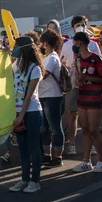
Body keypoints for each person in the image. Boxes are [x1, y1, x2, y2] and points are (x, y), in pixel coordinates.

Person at [60, 16, 102, 155]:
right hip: (73, 85)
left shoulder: (94, 45)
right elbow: (62, 63)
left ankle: (93, 144)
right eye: (78, 25)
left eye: (83, 24)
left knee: (90, 117)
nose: (81, 26)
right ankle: (72, 143)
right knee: (73, 115)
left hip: (90, 86)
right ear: (72, 28)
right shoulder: (67, 45)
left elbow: (100, 65)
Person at [9, 36, 44, 193]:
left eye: (16, 46)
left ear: (24, 48)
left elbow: (29, 95)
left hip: (31, 112)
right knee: (22, 149)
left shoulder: (35, 68)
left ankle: (35, 180)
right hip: (18, 112)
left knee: (33, 147)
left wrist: (21, 116)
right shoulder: (18, 64)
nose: (14, 48)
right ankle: (24, 179)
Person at [72, 32, 102, 173]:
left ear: (80, 43)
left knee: (94, 130)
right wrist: (78, 79)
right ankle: (86, 161)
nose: (74, 45)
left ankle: (101, 160)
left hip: (95, 97)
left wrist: (87, 77)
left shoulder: (95, 58)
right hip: (82, 97)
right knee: (85, 130)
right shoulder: (77, 59)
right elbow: (77, 79)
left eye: (75, 43)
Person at [39, 30, 65, 167]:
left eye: (42, 42)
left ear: (46, 43)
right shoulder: (46, 57)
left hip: (52, 96)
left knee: (55, 128)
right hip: (43, 96)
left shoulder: (53, 58)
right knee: (44, 128)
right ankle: (47, 154)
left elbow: (43, 75)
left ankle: (58, 156)